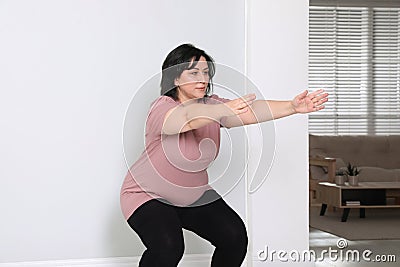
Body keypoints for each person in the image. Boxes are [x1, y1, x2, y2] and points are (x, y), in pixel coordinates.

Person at [120, 43, 328, 267]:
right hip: (147, 195)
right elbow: (185, 118)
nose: (203, 78)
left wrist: (293, 106)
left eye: (206, 72)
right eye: (193, 72)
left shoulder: (213, 105)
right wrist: (222, 111)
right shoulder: (162, 107)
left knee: (234, 237)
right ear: (175, 78)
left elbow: (250, 111)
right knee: (168, 246)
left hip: (192, 196)